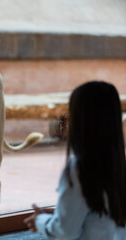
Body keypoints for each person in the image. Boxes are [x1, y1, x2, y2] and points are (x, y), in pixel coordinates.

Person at [24, 81, 126, 240]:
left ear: (81, 121)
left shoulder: (80, 168)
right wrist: (57, 215)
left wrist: (40, 221)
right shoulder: (118, 164)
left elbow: (66, 231)